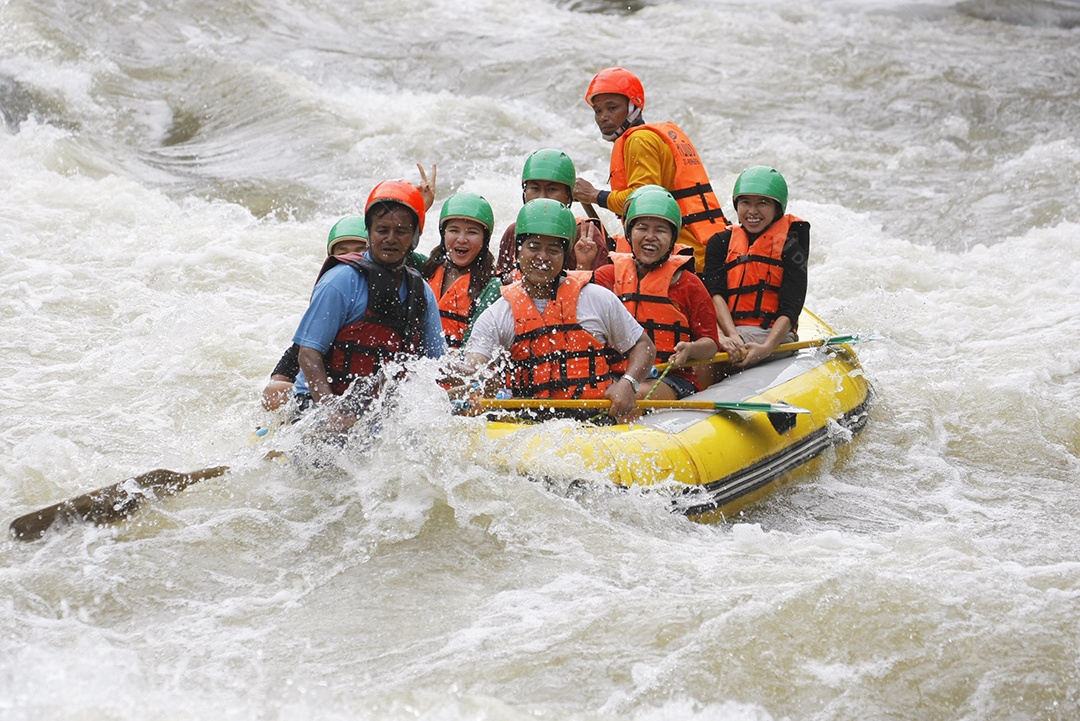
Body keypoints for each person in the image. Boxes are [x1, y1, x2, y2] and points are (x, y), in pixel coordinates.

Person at [261, 165, 438, 411]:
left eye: (401, 232)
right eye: (382, 230)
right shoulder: (340, 281)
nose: (390, 238)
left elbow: (435, 366)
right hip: (317, 405)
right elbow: (308, 353)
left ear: (415, 237)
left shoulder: (421, 292)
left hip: (379, 413)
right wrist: (331, 411)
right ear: (369, 233)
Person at [464, 198, 655, 422]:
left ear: (565, 256)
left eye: (553, 250)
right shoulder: (496, 315)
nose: (542, 257)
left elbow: (644, 346)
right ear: (518, 251)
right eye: (533, 247)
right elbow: (475, 364)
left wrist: (629, 383)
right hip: (527, 424)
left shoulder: (597, 299)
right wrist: (476, 381)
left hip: (596, 420)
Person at [572, 67, 728, 273]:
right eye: (598, 111)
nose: (603, 117)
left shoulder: (639, 140)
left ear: (633, 107)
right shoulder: (658, 135)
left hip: (687, 257)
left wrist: (593, 195)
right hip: (711, 246)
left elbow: (643, 202)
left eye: (612, 108)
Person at [593, 188, 720, 400]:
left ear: (672, 239)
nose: (650, 237)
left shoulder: (689, 284)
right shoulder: (607, 276)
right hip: (615, 376)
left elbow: (711, 345)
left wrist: (690, 349)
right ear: (629, 233)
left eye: (660, 230)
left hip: (669, 378)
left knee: (631, 396)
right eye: (642, 228)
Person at [702, 166, 809, 371]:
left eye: (762, 203)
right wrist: (731, 336)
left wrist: (766, 348)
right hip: (731, 332)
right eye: (745, 203)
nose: (752, 211)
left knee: (708, 359)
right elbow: (714, 294)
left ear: (777, 208)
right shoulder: (720, 242)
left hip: (772, 335)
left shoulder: (791, 246)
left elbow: (791, 307)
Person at [495, 148, 610, 280]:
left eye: (552, 189)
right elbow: (500, 283)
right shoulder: (513, 232)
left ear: (568, 196)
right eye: (535, 188)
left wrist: (583, 266)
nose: (542, 197)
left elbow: (599, 289)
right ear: (525, 193)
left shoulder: (586, 235)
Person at [421, 192, 503, 348]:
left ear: (485, 240)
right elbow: (395, 251)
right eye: (454, 230)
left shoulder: (491, 288)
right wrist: (418, 210)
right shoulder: (426, 268)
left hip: (456, 361)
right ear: (443, 234)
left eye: (472, 232)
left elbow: (472, 347)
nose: (461, 239)